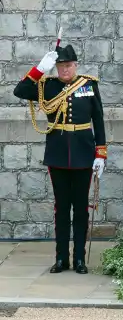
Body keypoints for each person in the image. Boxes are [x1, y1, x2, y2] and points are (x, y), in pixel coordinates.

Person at [13, 45, 106, 275]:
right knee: (61, 209)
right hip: (57, 154)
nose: (65, 70)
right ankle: (61, 259)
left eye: (68, 65)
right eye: (60, 66)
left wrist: (100, 153)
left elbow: (98, 120)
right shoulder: (48, 85)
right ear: (56, 67)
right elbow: (20, 90)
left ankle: (80, 260)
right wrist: (39, 69)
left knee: (81, 209)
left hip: (84, 154)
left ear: (76, 66)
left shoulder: (88, 85)